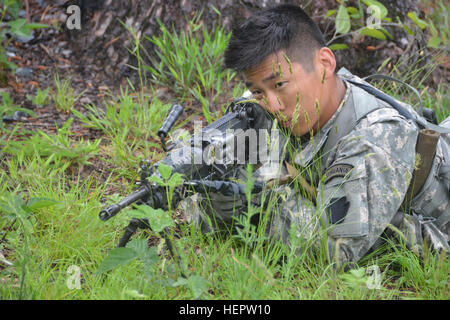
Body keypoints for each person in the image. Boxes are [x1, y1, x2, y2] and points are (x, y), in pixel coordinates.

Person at [180, 4, 450, 268]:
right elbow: (194, 207)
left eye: (280, 85)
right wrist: (216, 185)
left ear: (324, 63)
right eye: (259, 92)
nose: (273, 106)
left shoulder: (376, 136)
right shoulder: (275, 108)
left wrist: (245, 197)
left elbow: (335, 251)